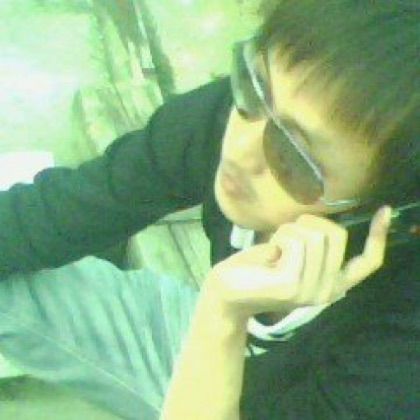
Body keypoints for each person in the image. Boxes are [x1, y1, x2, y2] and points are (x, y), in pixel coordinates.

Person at [0, 0, 419, 418]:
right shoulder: (243, 117)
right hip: (198, 338)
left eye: (292, 156)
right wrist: (216, 319)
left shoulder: (403, 349)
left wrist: (224, 314)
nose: (238, 148)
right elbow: (63, 209)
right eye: (252, 85)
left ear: (383, 210)